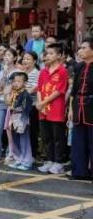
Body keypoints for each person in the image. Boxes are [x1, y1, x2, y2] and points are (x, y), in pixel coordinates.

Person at [36, 44, 69, 174]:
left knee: (57, 137)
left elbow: (59, 91)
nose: (48, 56)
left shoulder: (62, 71)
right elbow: (39, 88)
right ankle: (49, 160)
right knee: (46, 136)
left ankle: (58, 162)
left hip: (56, 108)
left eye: (51, 53)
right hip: (43, 109)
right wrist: (40, 103)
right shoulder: (43, 71)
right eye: (47, 53)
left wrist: (43, 103)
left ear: (59, 55)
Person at [69, 38, 93, 180]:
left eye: (84, 48)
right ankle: (79, 172)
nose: (80, 51)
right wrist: (71, 109)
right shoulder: (78, 67)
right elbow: (74, 90)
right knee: (78, 141)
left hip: (91, 106)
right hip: (79, 106)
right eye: (80, 48)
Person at [0, 47, 20, 161]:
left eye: (9, 55)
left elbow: (15, 87)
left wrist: (5, 90)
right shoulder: (2, 71)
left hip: (12, 102)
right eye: (5, 55)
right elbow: (0, 87)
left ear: (15, 58)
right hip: (2, 102)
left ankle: (11, 152)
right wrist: (4, 74)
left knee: (10, 129)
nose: (6, 57)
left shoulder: (18, 71)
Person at [6, 72, 34, 170]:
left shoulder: (26, 95)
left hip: (22, 120)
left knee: (24, 140)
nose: (15, 83)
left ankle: (27, 162)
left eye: (18, 81)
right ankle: (19, 159)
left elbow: (26, 108)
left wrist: (15, 108)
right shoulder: (15, 93)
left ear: (25, 83)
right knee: (15, 139)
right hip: (14, 119)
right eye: (14, 81)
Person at [20, 51, 41, 160]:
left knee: (32, 131)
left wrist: (20, 92)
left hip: (31, 106)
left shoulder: (38, 73)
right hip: (20, 106)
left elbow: (33, 89)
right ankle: (22, 153)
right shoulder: (21, 73)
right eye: (24, 59)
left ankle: (32, 154)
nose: (25, 61)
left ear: (35, 61)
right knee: (21, 130)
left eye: (28, 59)